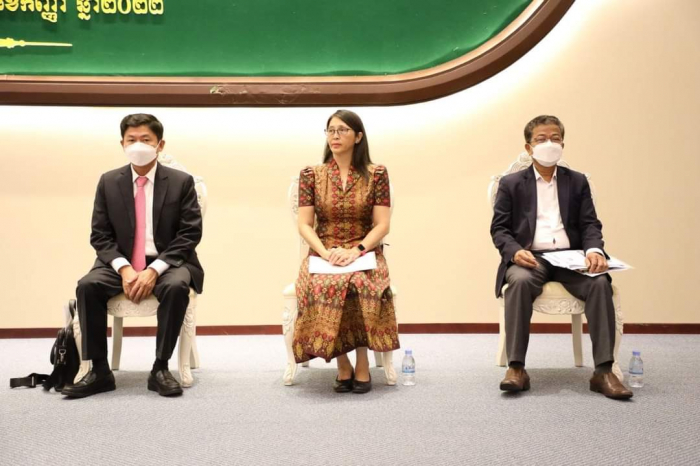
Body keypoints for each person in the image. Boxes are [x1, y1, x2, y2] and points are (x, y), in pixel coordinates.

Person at [490, 115, 632, 400]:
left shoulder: (577, 182)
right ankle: (516, 368)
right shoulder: (511, 183)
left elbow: (590, 224)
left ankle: (604, 371)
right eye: (541, 139)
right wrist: (515, 251)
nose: (549, 144)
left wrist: (594, 251)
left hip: (572, 258)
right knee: (519, 282)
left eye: (555, 138)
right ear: (529, 147)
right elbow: (500, 229)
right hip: (531, 258)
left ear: (563, 144)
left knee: (599, 282)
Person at [62, 114, 204, 398]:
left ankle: (160, 368)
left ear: (160, 144)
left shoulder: (181, 182)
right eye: (132, 140)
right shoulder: (108, 182)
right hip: (120, 263)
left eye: (146, 139)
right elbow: (100, 235)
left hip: (168, 261)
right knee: (87, 286)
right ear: (122, 144)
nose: (138, 145)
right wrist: (125, 268)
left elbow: (189, 233)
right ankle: (99, 371)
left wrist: (154, 270)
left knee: (176, 287)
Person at [293, 109, 399, 394]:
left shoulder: (377, 174)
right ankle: (342, 362)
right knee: (324, 285)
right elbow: (304, 225)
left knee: (359, 284)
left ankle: (362, 361)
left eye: (342, 130)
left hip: (364, 253)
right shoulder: (311, 175)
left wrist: (356, 250)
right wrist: (325, 253)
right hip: (323, 254)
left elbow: (382, 224)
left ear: (358, 137)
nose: (335, 136)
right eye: (331, 130)